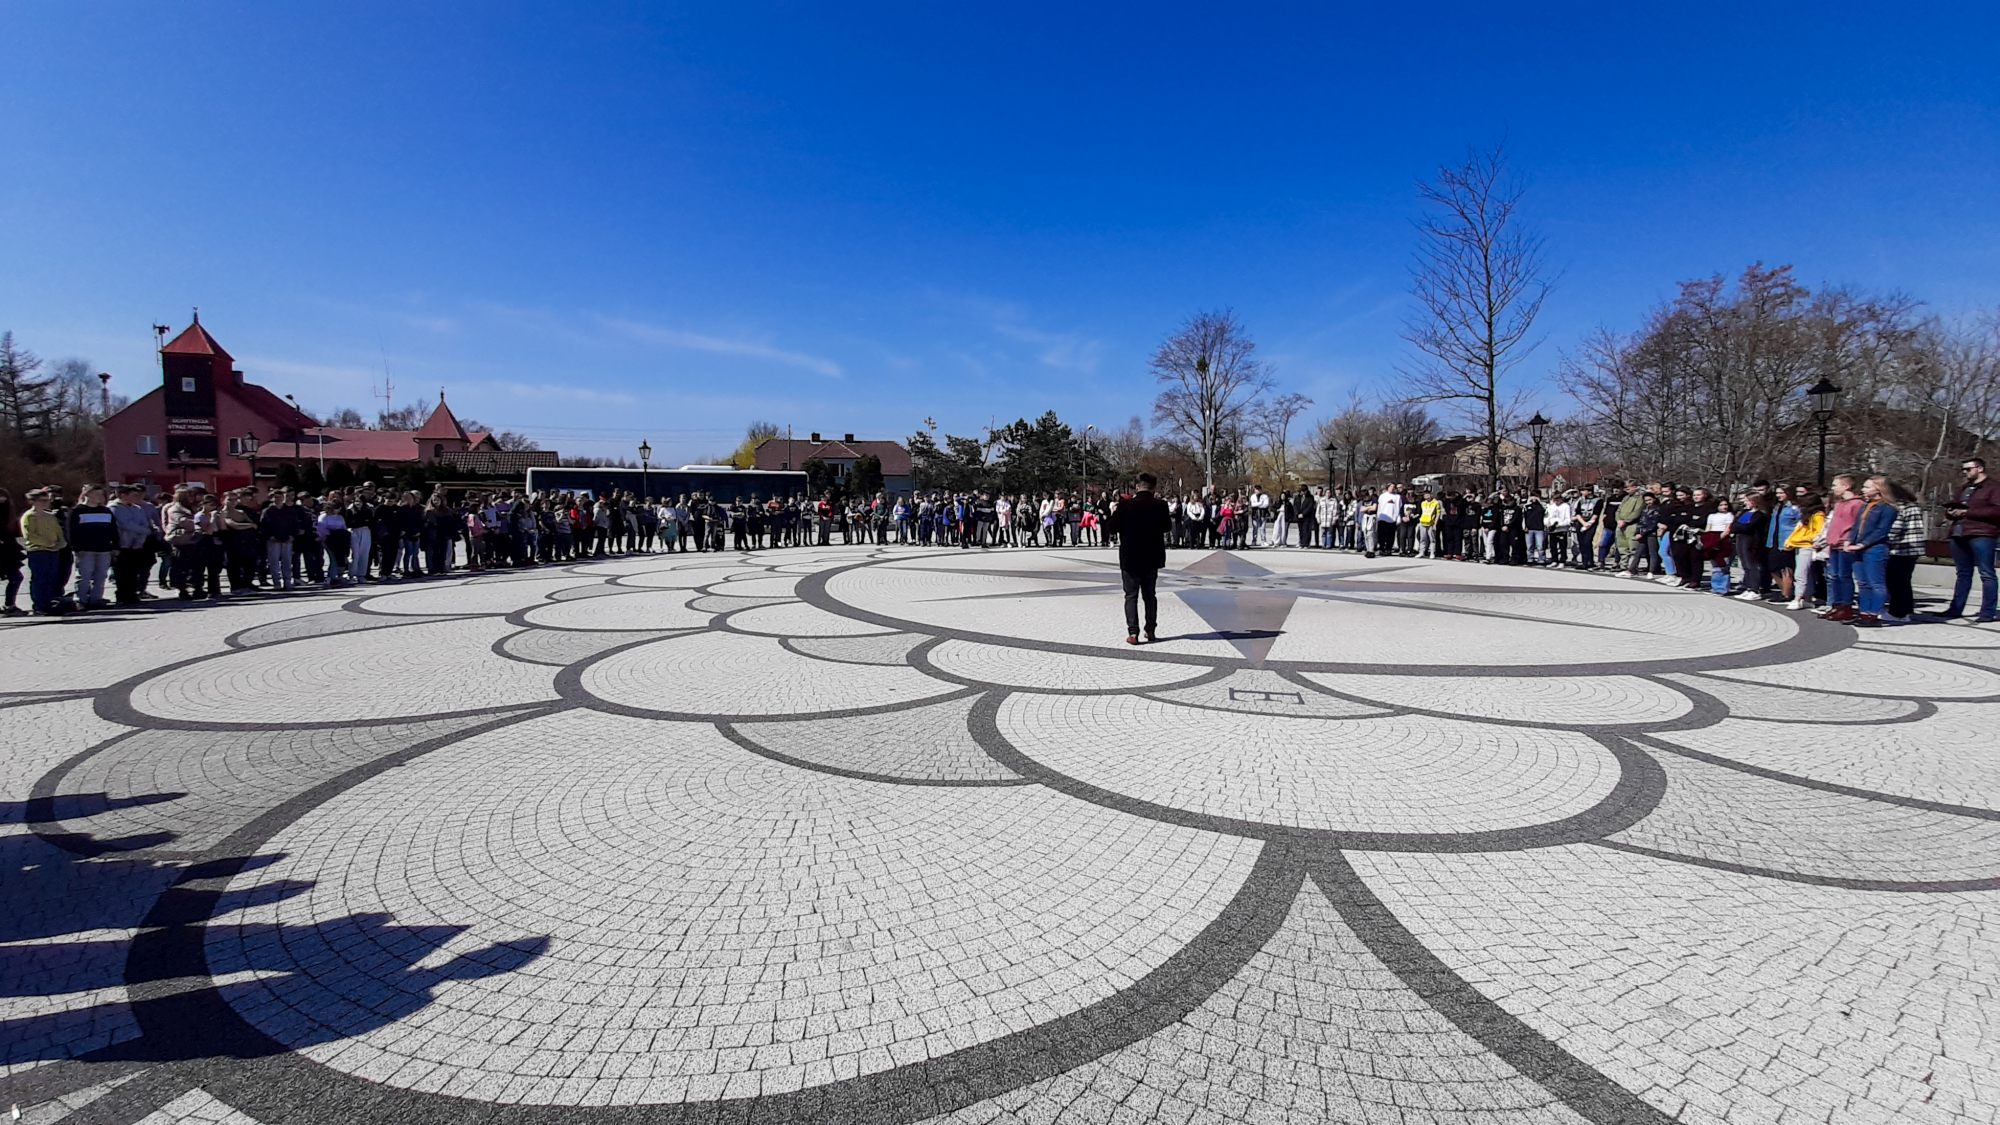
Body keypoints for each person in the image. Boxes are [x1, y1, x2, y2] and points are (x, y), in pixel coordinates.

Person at [1103, 472, 1172, 645]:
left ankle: (1133, 632)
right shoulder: (1161, 505)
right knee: (1150, 596)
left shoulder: (1126, 505)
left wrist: (1115, 514)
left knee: (1131, 596)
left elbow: (1111, 528)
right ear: (1154, 487)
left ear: (1137, 486)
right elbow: (1167, 527)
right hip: (1151, 556)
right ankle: (1151, 630)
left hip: (1130, 557)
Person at [1942, 456, 2000, 623]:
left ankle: (1987, 612)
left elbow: (1997, 511)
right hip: (1959, 533)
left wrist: (1968, 512)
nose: (1965, 472)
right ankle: (1955, 609)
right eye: (1963, 470)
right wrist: (1951, 512)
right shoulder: (1964, 488)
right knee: (1962, 573)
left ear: (1980, 468)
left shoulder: (1994, 487)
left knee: (1986, 573)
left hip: (1982, 534)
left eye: (1968, 469)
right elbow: (1954, 507)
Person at [1883, 479, 1927, 625]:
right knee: (1900, 581)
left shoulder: (1905, 507)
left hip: (1905, 548)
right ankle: (1905, 609)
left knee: (1898, 581)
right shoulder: (1901, 507)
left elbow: (1896, 529)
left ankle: (1899, 612)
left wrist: (1882, 539)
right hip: (1899, 548)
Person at [21, 487, 67, 615]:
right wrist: (48, 543)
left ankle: (50, 603)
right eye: (42, 500)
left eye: (47, 500)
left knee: (51, 578)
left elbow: (58, 532)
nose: (46, 502)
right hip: (38, 551)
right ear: (33, 501)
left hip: (54, 552)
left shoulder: (50, 516)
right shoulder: (29, 516)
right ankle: (39, 605)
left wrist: (60, 543)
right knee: (39, 578)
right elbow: (30, 535)